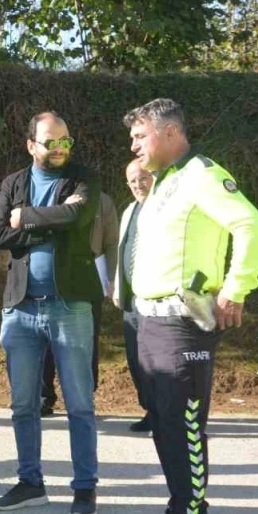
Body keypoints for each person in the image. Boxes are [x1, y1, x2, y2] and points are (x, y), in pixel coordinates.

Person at [123, 98, 258, 514]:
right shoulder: (165, 183)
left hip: (181, 325)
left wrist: (236, 288)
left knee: (184, 426)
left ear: (169, 132)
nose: (134, 145)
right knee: (163, 424)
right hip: (149, 321)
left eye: (140, 136)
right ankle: (180, 508)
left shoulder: (202, 175)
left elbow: (251, 225)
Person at [0, 112, 102, 514]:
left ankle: (85, 488)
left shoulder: (83, 178)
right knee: (23, 405)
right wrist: (52, 221)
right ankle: (30, 483)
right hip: (20, 307)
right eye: (51, 142)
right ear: (30, 145)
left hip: (69, 306)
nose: (60, 148)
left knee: (79, 404)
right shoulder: (14, 183)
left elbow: (78, 217)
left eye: (65, 141)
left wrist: (27, 217)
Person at [39, 190, 118, 416]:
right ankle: (43, 397)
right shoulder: (48, 193)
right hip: (52, 274)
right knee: (46, 337)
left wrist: (112, 278)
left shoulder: (102, 200)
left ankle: (83, 398)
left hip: (89, 274)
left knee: (85, 340)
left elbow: (112, 242)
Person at [114, 160, 155, 434]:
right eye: (132, 181)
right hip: (131, 301)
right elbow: (123, 249)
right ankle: (151, 411)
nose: (138, 185)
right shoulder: (130, 210)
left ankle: (164, 414)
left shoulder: (164, 208)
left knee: (155, 361)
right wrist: (119, 288)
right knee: (136, 359)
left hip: (154, 300)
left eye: (143, 178)